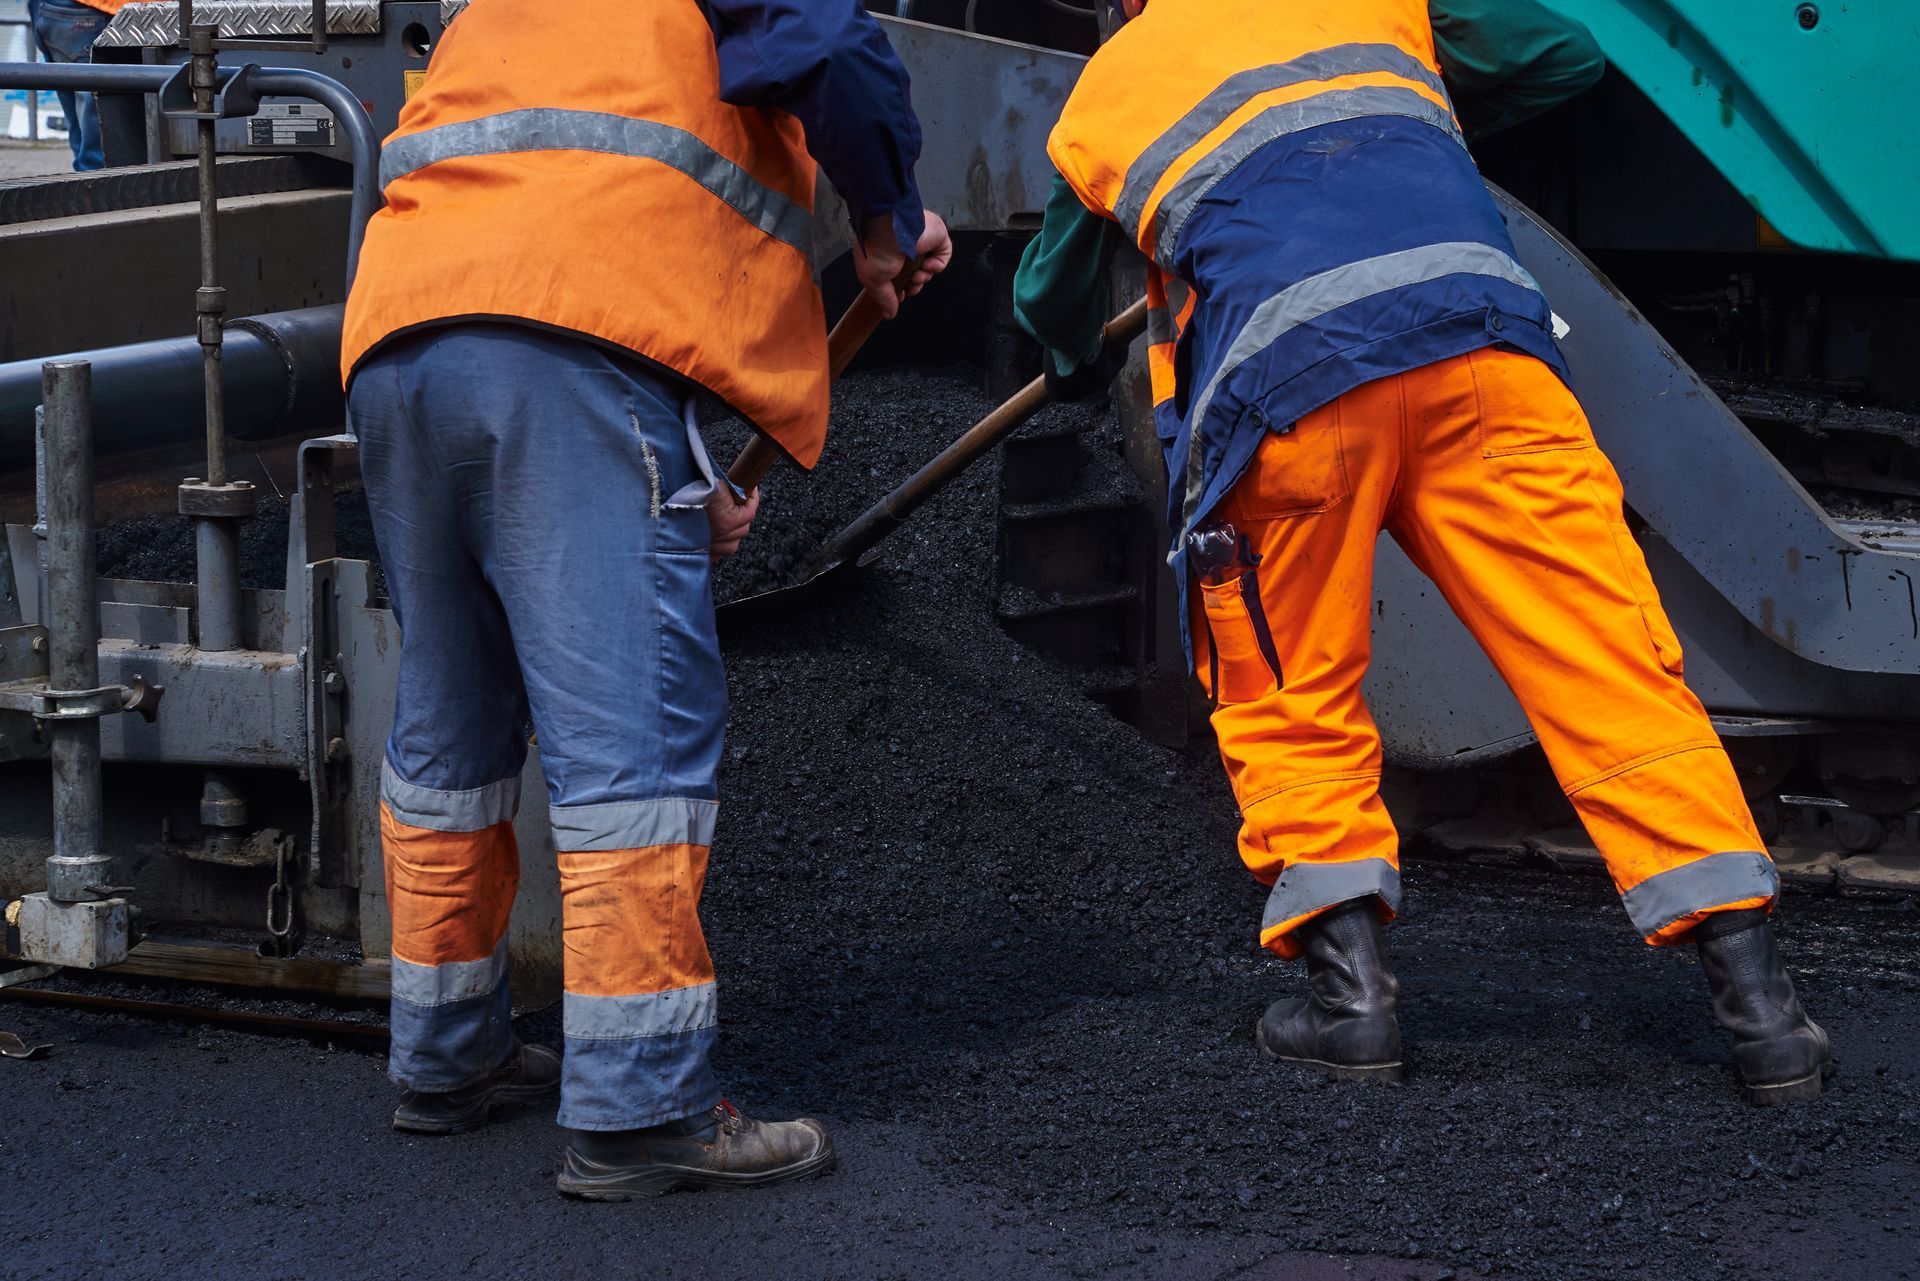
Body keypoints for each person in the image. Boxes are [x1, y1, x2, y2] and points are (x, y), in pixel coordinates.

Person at [1014, 0, 1830, 1105]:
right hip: (1481, 353)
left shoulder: (1107, 88)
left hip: (1287, 398)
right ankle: (1765, 1016)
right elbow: (1562, 55)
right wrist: (1413, 120)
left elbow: (1050, 300)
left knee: (1285, 682)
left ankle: (1352, 1008)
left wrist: (1067, 362)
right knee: (1604, 662)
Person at [337, 0, 952, 1199]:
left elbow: (567, 204)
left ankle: (446, 1056)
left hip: (401, 347)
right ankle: (643, 1110)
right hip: (564, 349)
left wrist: (676, 469)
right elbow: (837, 49)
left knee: (452, 719)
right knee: (632, 743)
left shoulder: (501, 14)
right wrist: (883, 219)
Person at [26, 0, 149, 172]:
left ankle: (88, 188)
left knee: (86, 140)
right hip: (103, 10)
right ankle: (94, 192)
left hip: (57, 8)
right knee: (104, 154)